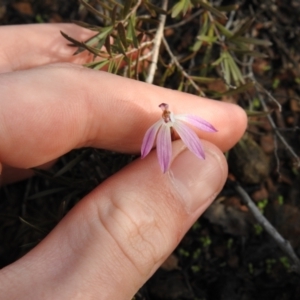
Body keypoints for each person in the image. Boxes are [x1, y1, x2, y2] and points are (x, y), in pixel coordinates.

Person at [0, 24, 247, 299]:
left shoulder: (181, 125)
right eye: (164, 113)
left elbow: (201, 130)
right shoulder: (157, 131)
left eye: (167, 113)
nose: (165, 113)